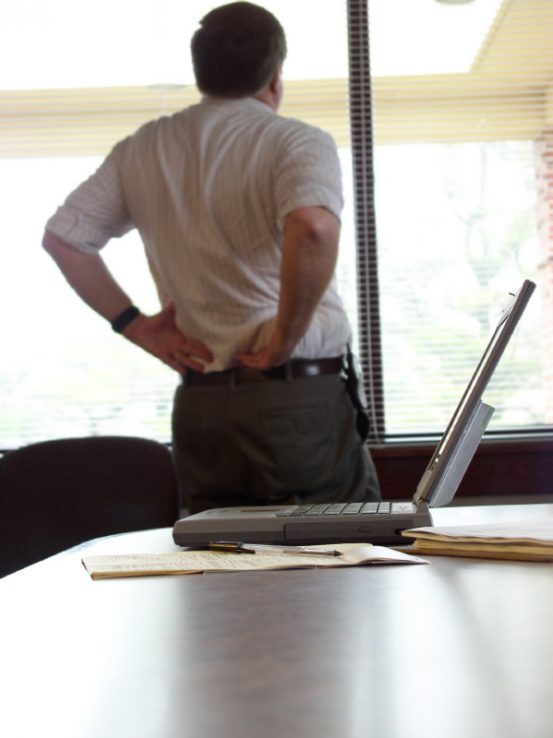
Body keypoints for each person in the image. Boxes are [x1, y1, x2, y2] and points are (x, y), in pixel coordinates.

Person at [42, 1, 380, 513]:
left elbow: (64, 239)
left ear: (200, 72)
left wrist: (136, 325)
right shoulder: (294, 140)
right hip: (293, 402)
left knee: (218, 567)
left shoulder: (143, 147)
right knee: (334, 563)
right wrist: (283, 341)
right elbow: (312, 226)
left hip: (202, 407)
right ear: (275, 76)